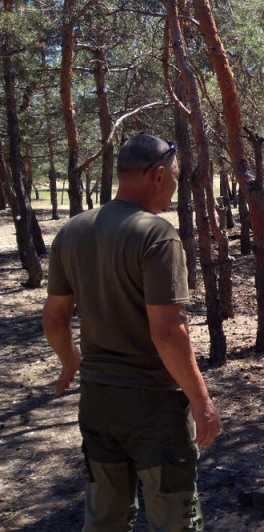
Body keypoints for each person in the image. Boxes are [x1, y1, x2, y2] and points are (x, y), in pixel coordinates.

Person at [42, 134, 221, 532]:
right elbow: (167, 332)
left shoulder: (72, 231)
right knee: (173, 519)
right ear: (158, 176)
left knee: (104, 518)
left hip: (97, 401)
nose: (175, 186)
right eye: (175, 177)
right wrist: (201, 400)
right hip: (153, 406)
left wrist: (70, 361)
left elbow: (54, 319)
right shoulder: (156, 235)